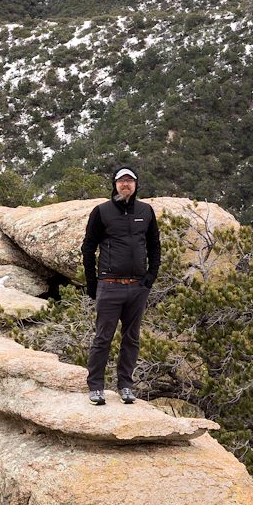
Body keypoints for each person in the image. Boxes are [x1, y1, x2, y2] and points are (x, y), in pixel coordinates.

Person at [80, 167, 160, 406]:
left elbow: (154, 246)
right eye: (121, 180)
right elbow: (88, 247)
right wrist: (92, 282)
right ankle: (96, 387)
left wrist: (150, 278)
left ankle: (125, 386)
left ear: (136, 185)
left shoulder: (146, 211)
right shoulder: (102, 211)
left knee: (131, 338)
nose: (126, 184)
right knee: (103, 338)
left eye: (130, 180)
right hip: (110, 285)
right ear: (114, 184)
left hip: (137, 287)